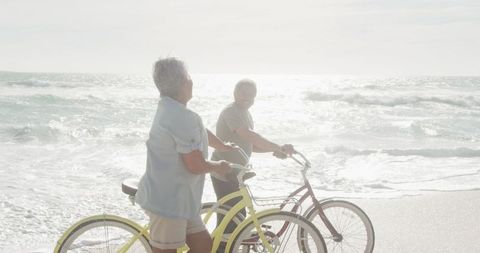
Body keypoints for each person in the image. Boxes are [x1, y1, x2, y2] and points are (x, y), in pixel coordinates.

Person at [135, 57, 234, 253]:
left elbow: (199, 131)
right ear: (183, 82)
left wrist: (221, 145)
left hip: (182, 199)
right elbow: (195, 165)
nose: (191, 81)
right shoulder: (181, 116)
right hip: (168, 201)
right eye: (188, 77)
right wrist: (218, 166)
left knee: (203, 247)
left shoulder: (171, 108)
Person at [210, 79, 295, 251]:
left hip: (236, 172)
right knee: (230, 220)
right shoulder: (230, 112)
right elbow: (248, 135)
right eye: (243, 93)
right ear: (234, 93)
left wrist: (274, 151)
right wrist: (277, 146)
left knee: (237, 217)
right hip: (224, 171)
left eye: (251, 95)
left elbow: (251, 145)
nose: (247, 97)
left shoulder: (245, 114)